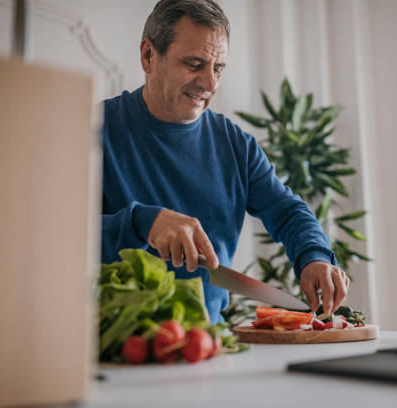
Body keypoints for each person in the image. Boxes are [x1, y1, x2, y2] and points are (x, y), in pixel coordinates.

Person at [101, 0, 349, 324]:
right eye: (194, 64)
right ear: (148, 55)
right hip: (110, 347)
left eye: (218, 68)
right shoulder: (92, 129)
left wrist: (314, 257)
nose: (210, 84)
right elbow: (47, 236)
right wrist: (140, 222)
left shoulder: (236, 145)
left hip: (206, 347)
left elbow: (287, 211)